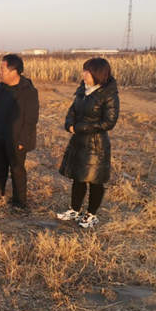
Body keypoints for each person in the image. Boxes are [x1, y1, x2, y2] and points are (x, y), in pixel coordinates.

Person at [57, 58, 119, 228]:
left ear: (98, 74)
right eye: (84, 70)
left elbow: (109, 122)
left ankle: (91, 215)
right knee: (78, 176)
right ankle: (75, 210)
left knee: (95, 179)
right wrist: (69, 124)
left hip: (96, 144)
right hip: (78, 140)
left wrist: (80, 127)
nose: (84, 74)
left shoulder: (109, 94)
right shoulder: (82, 90)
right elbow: (72, 110)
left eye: (87, 71)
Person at [0, 54, 39, 209]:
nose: (0, 72)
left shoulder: (28, 91)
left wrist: (23, 140)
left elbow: (31, 119)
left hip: (16, 138)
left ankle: (19, 203)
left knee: (17, 170)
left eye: (2, 69)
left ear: (14, 71)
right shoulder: (0, 87)